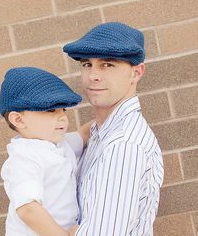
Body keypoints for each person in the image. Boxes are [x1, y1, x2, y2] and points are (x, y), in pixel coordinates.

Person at [63, 22, 164, 235]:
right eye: (86, 64)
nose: (93, 75)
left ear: (136, 73)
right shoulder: (100, 134)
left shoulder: (124, 144)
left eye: (107, 65)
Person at [0, 67, 92, 236]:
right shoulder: (25, 158)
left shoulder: (60, 143)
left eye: (63, 109)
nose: (62, 117)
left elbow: (85, 133)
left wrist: (113, 113)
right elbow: (28, 209)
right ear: (19, 119)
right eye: (51, 110)